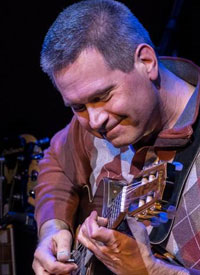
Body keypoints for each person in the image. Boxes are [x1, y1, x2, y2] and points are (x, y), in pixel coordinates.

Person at [32, 0, 200, 274]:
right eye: (78, 107)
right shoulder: (95, 125)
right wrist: (52, 226)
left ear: (146, 62)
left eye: (103, 96)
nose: (95, 121)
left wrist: (153, 271)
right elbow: (55, 162)